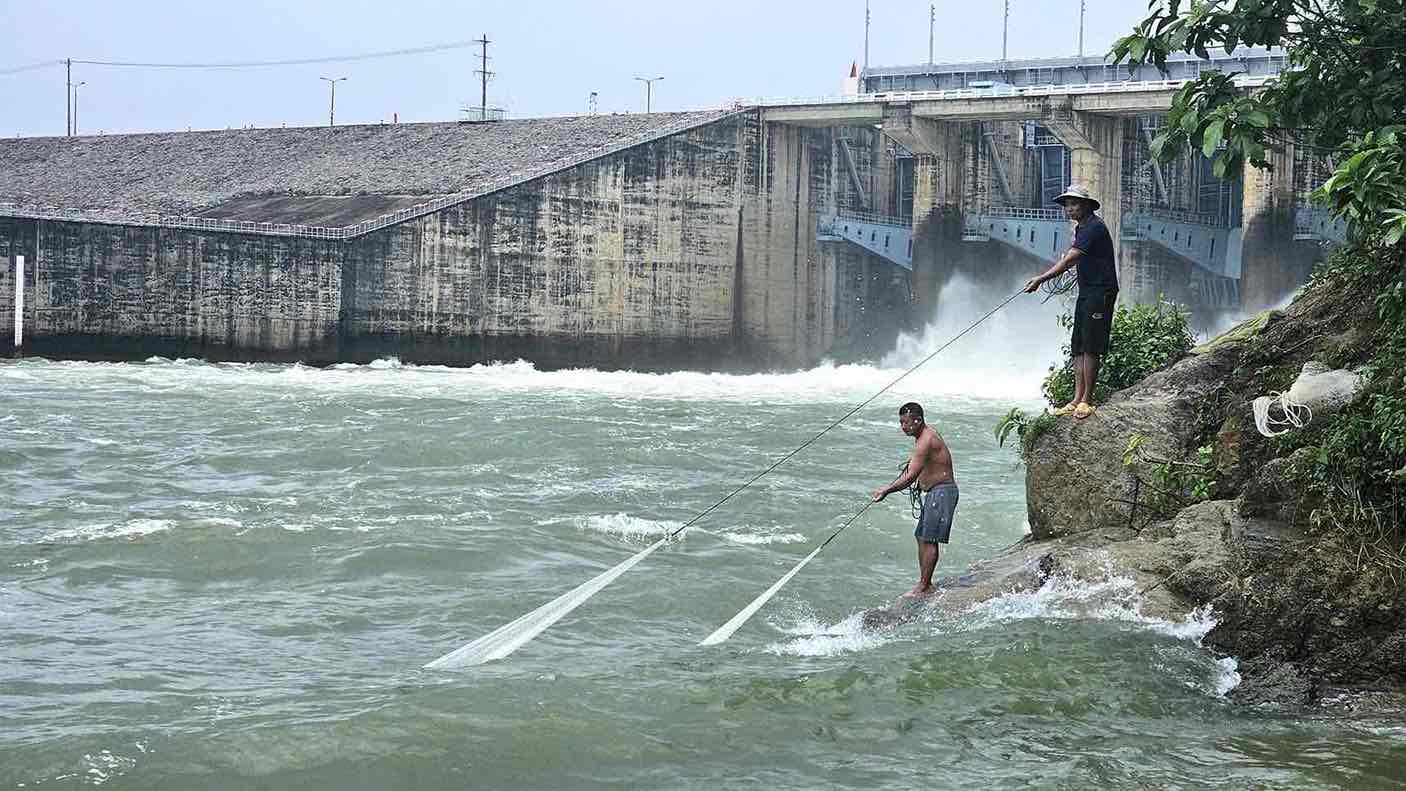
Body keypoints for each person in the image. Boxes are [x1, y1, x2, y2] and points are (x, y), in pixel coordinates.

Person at [1022, 184, 1120, 420]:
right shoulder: (1082, 228)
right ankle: (1076, 399)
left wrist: (1041, 279)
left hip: (1101, 291)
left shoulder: (1094, 227)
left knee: (1091, 345)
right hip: (1087, 290)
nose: (1069, 208)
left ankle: (1087, 400)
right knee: (1078, 345)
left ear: (1086, 205)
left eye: (1074, 203)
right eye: (1067, 204)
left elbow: (1071, 260)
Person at [871, 402, 959, 598]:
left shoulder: (925, 440)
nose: (903, 426)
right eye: (900, 422)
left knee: (929, 539)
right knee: (921, 536)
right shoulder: (923, 437)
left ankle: (924, 586)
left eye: (905, 422)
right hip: (936, 492)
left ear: (918, 421)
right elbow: (924, 466)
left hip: (942, 492)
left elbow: (910, 476)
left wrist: (887, 489)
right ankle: (925, 582)